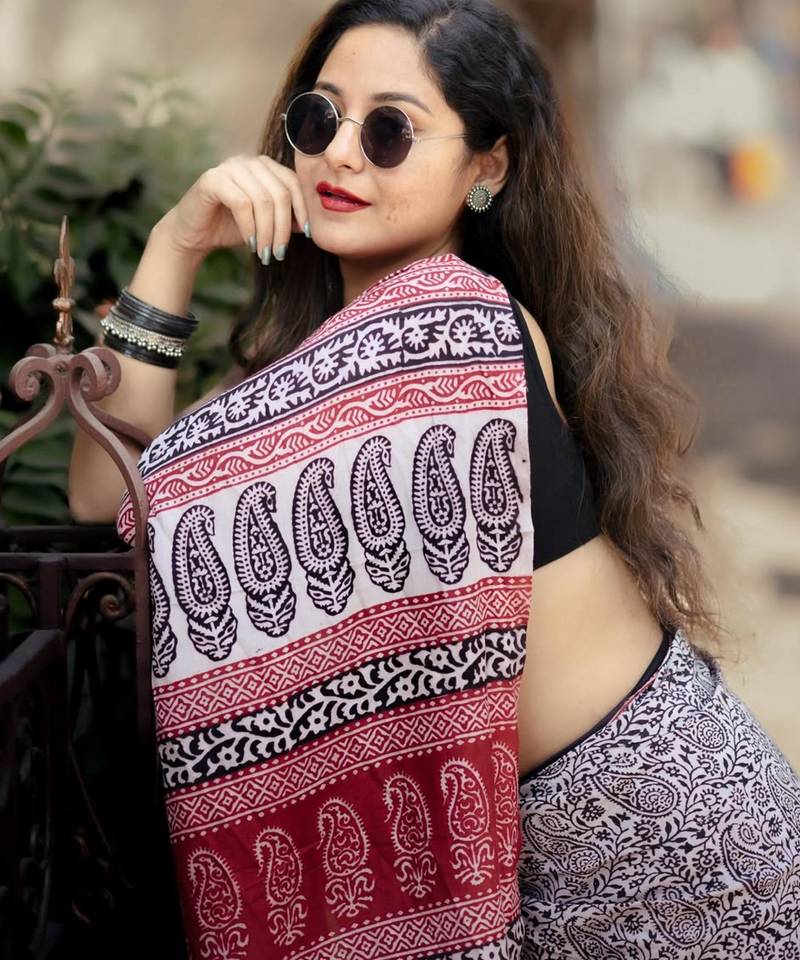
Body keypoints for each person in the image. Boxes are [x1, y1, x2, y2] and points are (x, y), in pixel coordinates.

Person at [68, 1, 800, 957]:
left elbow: (140, 499)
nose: (340, 155)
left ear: (487, 168)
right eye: (318, 118)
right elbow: (108, 498)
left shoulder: (453, 327)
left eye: (390, 131)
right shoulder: (320, 358)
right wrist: (175, 241)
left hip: (670, 848)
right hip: (565, 846)